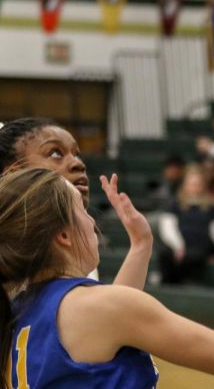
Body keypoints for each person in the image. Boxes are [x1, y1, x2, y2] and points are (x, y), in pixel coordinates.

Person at [0, 167, 214, 388]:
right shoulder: (96, 308)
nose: (92, 221)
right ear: (63, 236)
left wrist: (141, 245)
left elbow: (106, 327)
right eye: (82, 212)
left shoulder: (21, 305)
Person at [0, 117, 151, 289]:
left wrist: (141, 243)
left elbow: (108, 313)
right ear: (14, 172)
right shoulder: (13, 250)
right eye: (55, 153)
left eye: (77, 154)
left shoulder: (76, 241)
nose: (78, 163)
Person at [157, 165, 214, 283]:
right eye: (191, 183)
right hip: (179, 246)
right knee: (165, 253)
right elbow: (168, 227)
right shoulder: (175, 204)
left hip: (199, 247)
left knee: (194, 256)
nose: (194, 187)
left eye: (197, 183)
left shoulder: (211, 206)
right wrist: (178, 246)